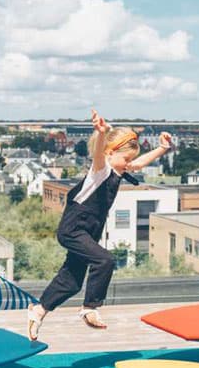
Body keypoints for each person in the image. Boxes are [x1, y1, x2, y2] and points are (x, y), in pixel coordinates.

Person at [27, 110, 173, 340]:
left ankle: (38, 311)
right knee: (104, 260)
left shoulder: (119, 169)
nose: (128, 164)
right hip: (74, 229)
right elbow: (98, 155)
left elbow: (139, 163)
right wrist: (102, 133)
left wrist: (162, 148)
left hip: (89, 231)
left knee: (72, 281)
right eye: (125, 159)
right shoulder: (101, 170)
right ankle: (89, 308)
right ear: (110, 152)